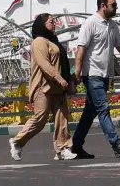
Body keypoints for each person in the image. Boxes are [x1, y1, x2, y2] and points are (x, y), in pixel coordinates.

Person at [70, 0, 120, 159]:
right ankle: (116, 144)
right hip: (92, 75)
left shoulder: (112, 25)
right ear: (103, 6)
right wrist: (77, 72)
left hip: (105, 76)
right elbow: (81, 49)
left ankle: (75, 146)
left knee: (90, 113)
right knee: (103, 108)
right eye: (113, 5)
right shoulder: (90, 23)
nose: (116, 7)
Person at [10, 13, 73, 161]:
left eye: (55, 21)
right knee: (40, 119)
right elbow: (44, 64)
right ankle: (17, 142)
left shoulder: (53, 40)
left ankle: (62, 149)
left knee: (61, 118)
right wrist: (59, 78)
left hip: (57, 87)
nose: (54, 24)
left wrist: (68, 81)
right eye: (51, 22)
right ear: (42, 24)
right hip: (42, 87)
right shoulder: (38, 42)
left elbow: (62, 62)